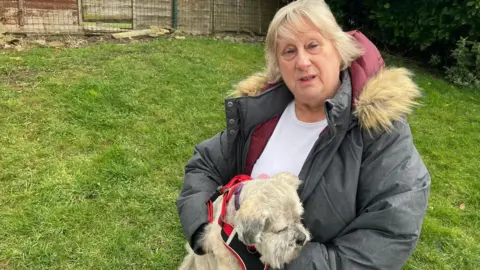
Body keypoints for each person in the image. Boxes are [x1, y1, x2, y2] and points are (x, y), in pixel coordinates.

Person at [177, 0, 431, 269]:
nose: (302, 61)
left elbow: (390, 233)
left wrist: (291, 262)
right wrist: (205, 232)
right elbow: (204, 166)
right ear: (278, 64)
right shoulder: (261, 114)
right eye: (288, 51)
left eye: (313, 45)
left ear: (339, 50)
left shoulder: (379, 132)